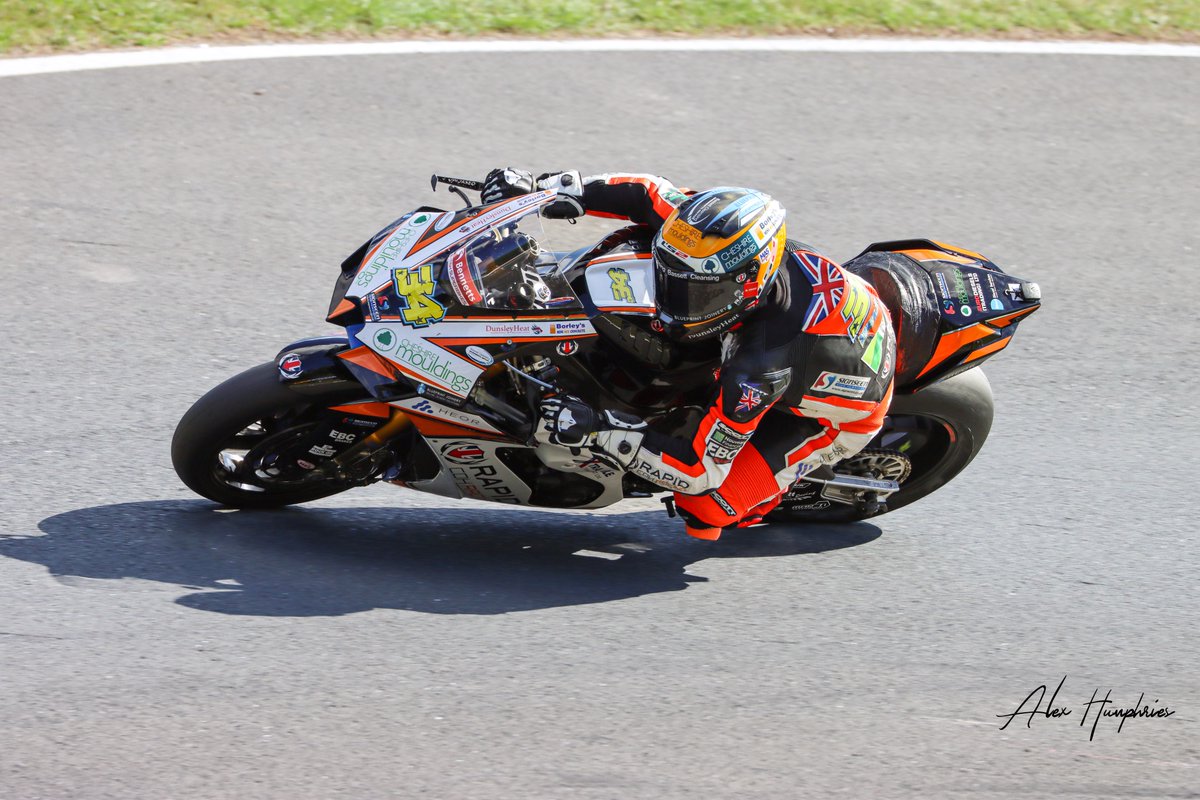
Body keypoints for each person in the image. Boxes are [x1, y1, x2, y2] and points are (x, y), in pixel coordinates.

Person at [482, 168, 897, 540]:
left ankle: (769, 498)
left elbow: (701, 471)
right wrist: (543, 190)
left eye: (700, 293)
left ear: (748, 281)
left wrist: (599, 431)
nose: (674, 302)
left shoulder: (758, 368)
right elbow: (646, 192)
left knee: (706, 508)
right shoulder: (706, 242)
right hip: (827, 325)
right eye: (671, 280)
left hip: (834, 416)